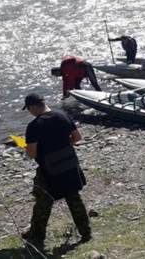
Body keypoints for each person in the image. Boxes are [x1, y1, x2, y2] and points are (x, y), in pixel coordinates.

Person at [21, 93, 91, 251]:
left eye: (29, 110)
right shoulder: (63, 115)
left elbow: (32, 154)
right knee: (74, 198)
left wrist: (25, 147)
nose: (30, 113)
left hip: (49, 170)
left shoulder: (34, 126)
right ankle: (86, 232)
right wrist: (64, 145)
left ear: (32, 107)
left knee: (43, 203)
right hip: (69, 163)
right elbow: (77, 137)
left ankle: (37, 237)